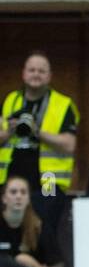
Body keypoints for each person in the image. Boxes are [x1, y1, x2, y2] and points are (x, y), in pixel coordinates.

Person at [0, 50, 79, 228]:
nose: (36, 74)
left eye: (41, 71)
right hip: (11, 175)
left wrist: (37, 132)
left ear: (49, 76)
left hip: (49, 177)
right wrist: (9, 131)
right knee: (9, 226)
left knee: (46, 223)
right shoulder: (10, 100)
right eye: (32, 70)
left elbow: (69, 145)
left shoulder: (63, 104)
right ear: (24, 73)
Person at [0, 174, 61, 267]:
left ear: (28, 198)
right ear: (4, 198)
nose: (18, 196)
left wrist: (36, 266)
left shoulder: (38, 227)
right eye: (13, 192)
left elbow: (58, 264)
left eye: (23, 192)